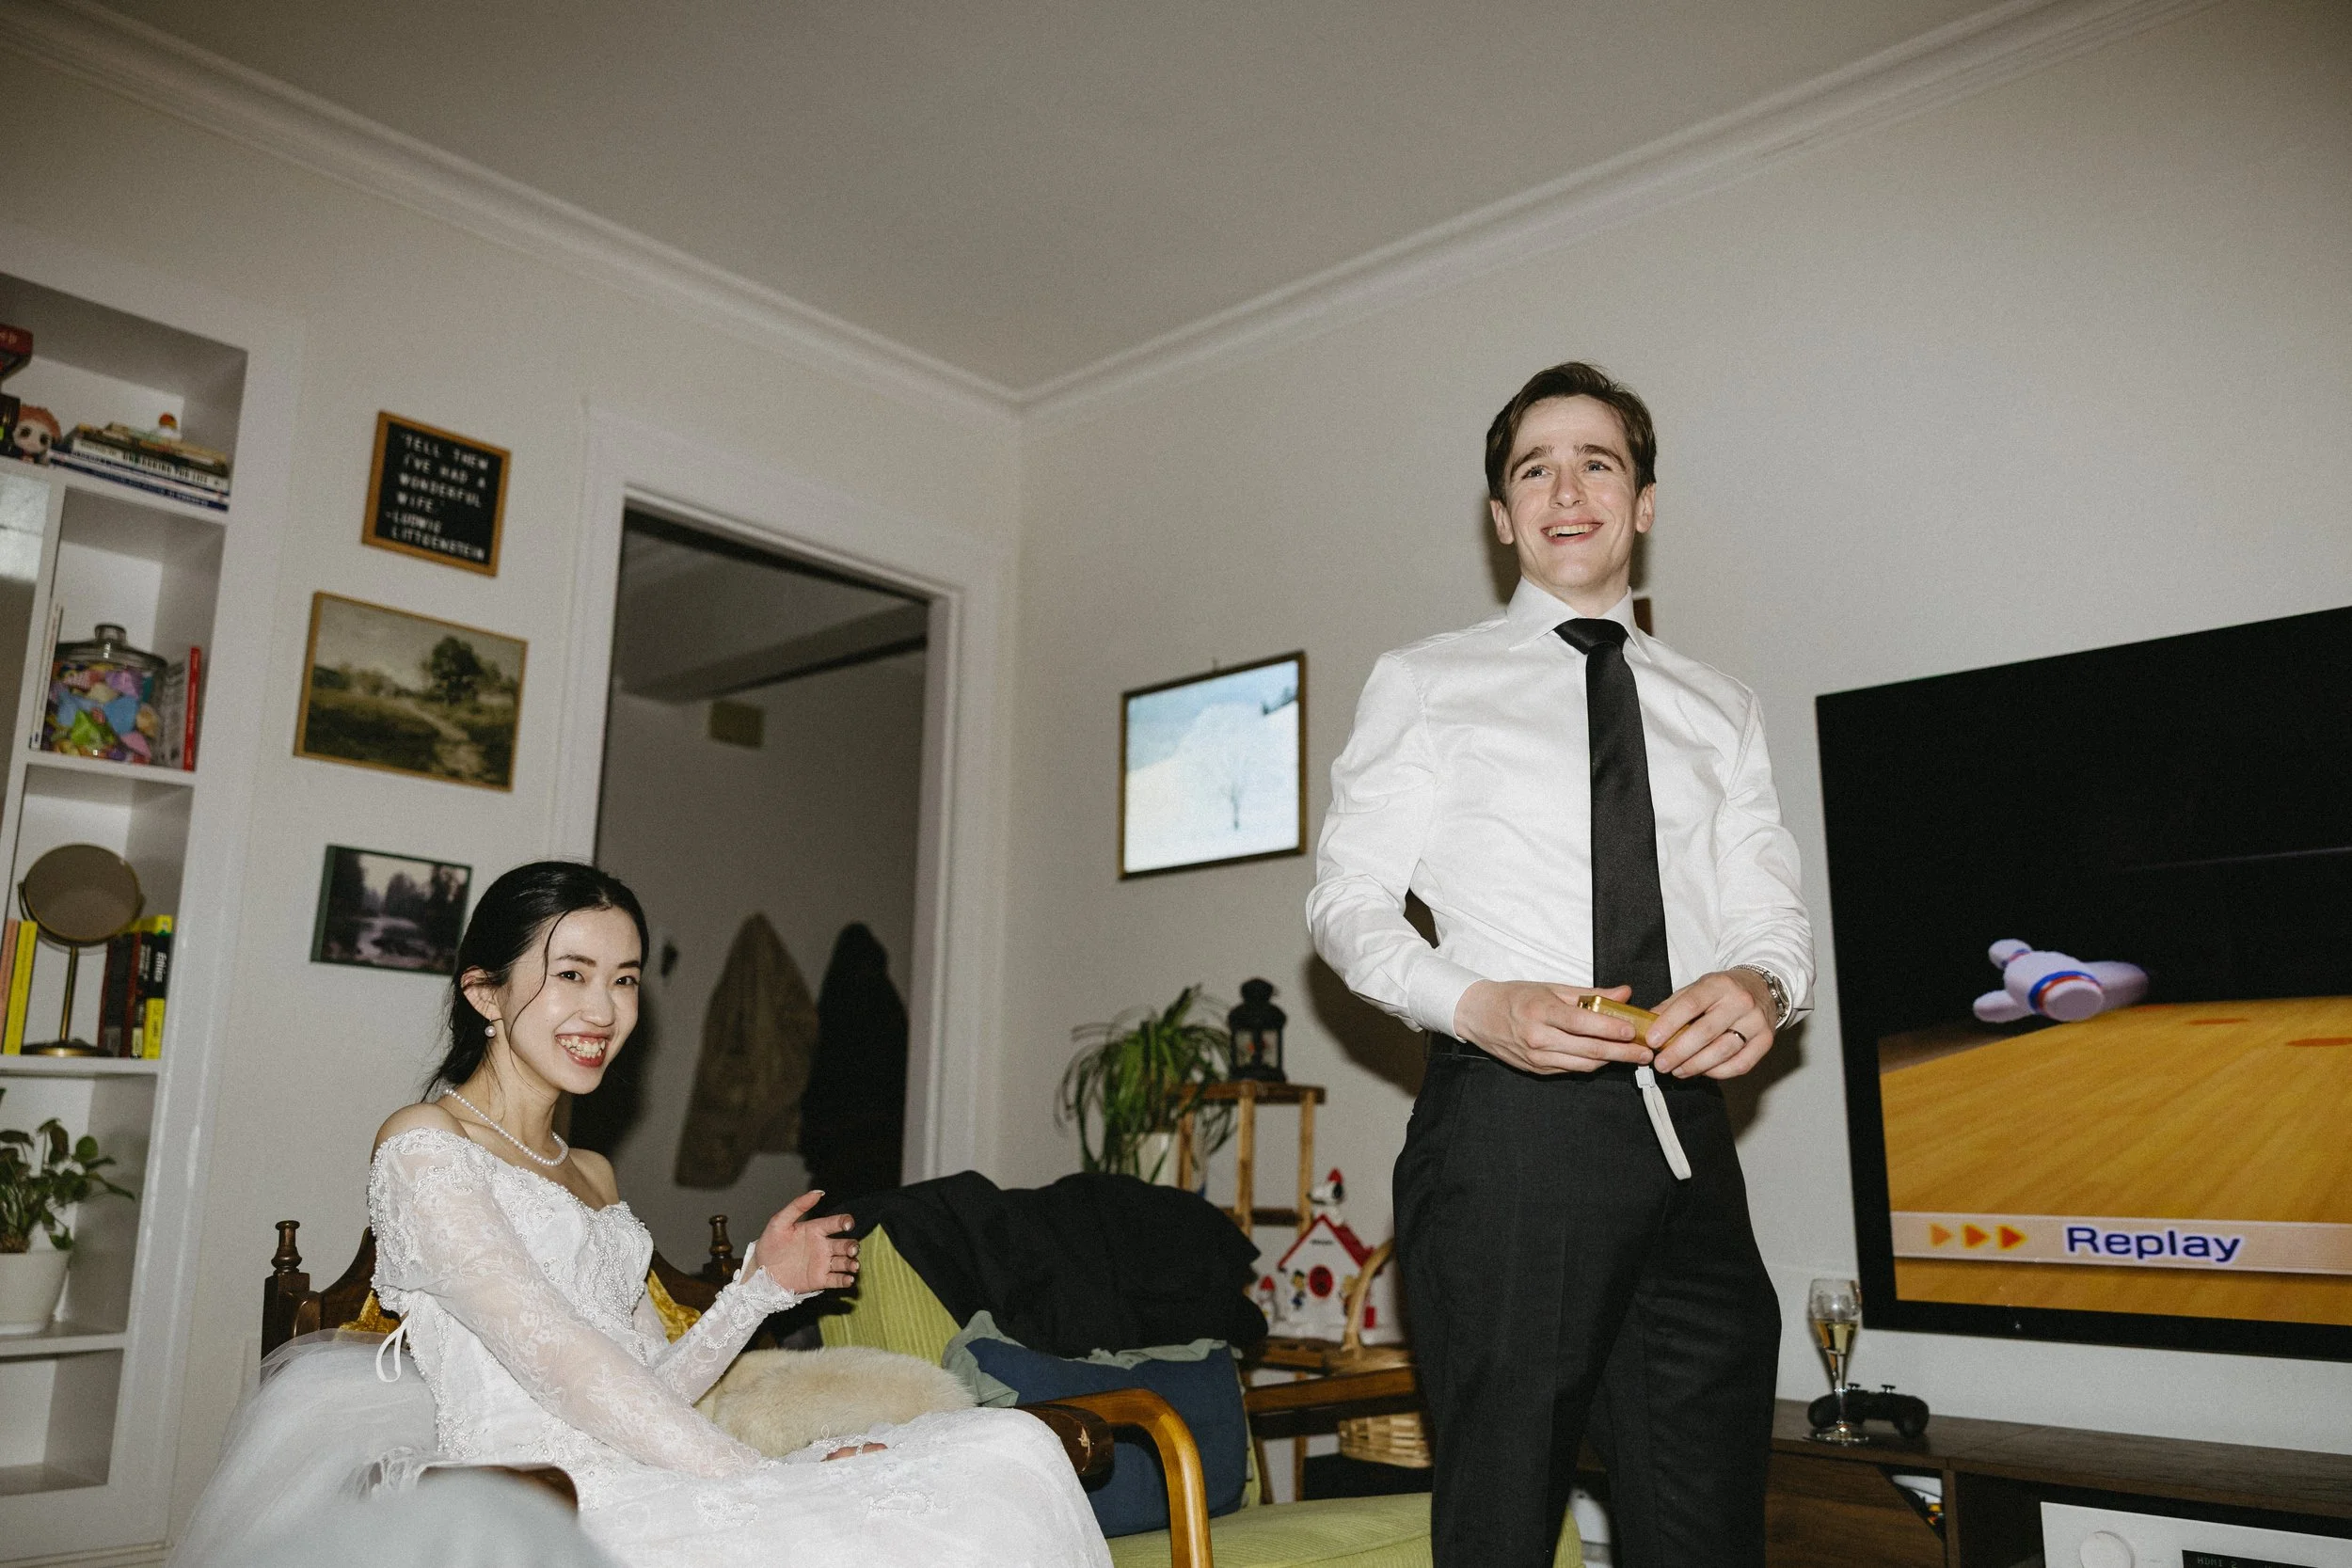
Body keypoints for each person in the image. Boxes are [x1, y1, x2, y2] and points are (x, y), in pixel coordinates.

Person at [179, 861, 1109, 1568]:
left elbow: (651, 1383)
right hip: (538, 1496)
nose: (604, 1009)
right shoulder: (425, 1141)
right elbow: (565, 1366)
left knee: (1003, 1444)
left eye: (624, 979)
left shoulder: (590, 1169)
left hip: (650, 1458)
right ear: (485, 991)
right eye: (571, 973)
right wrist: (766, 1480)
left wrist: (756, 1289)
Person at [1308, 362, 1813, 1568]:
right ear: (1502, 516)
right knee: (1501, 1521)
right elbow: (1344, 901)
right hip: (1508, 1139)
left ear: (1643, 502)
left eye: (1598, 462)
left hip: (1692, 1144)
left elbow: (1770, 910)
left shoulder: (1722, 706)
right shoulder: (1425, 681)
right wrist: (1477, 1003)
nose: (1567, 489)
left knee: (1706, 1529)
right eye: (1535, 468)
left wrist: (1764, 985)